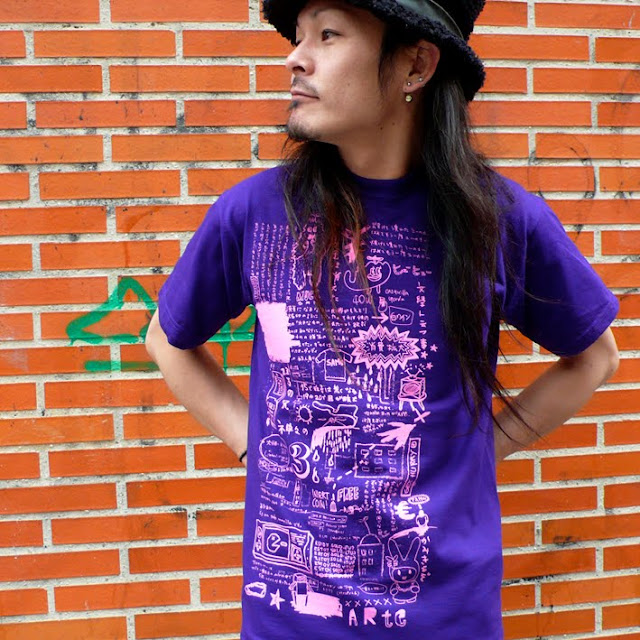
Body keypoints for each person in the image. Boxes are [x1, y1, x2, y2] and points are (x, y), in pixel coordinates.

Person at [145, 0, 620, 637]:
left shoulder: (498, 221)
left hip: (444, 617)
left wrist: (481, 450)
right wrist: (254, 444)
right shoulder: (255, 214)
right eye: (298, 37)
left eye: (328, 34)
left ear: (416, 65)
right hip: (291, 619)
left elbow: (594, 357)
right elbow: (167, 339)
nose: (295, 58)